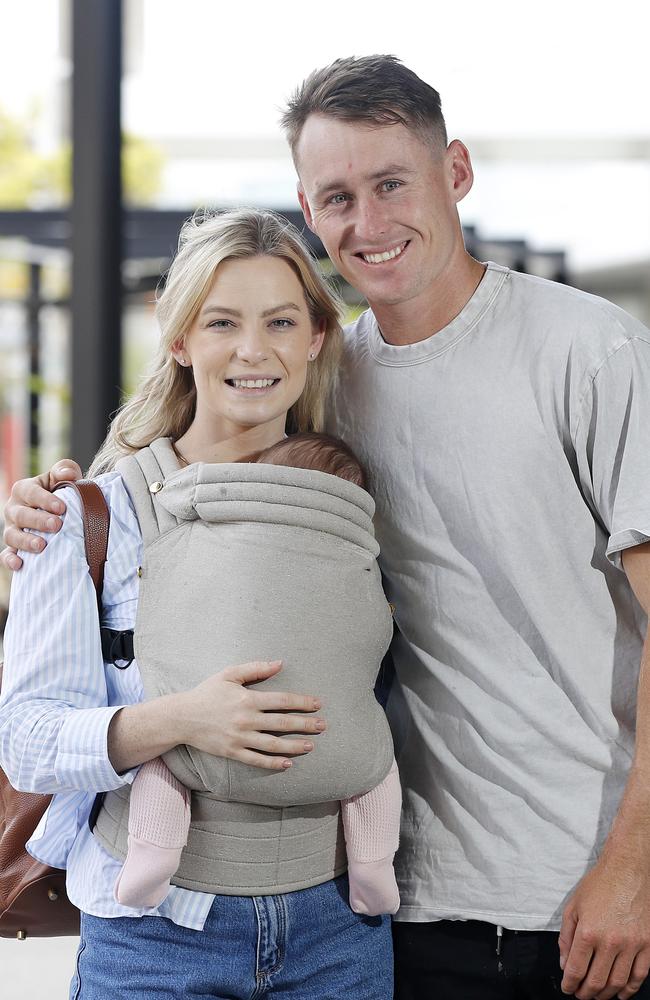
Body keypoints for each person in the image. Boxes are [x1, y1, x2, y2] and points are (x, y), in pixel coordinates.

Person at [5, 54, 650, 1000]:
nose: (370, 222)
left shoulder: (591, 352)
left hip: (568, 888)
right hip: (392, 897)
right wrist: (56, 505)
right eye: (338, 195)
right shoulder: (328, 386)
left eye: (393, 183)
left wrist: (633, 867)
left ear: (456, 172)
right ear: (311, 210)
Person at [0, 208, 398, 1000]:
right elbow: (26, 741)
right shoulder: (86, 517)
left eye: (281, 321)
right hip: (154, 941)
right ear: (179, 340)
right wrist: (183, 721)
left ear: (316, 337)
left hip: (338, 928)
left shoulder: (351, 503)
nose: (254, 351)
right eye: (222, 323)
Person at [116, 429, 400, 917]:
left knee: (164, 756)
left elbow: (178, 590)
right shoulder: (359, 547)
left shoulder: (211, 506)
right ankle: (374, 866)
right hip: (333, 741)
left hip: (205, 742)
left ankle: (153, 853)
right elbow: (376, 629)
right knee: (378, 767)